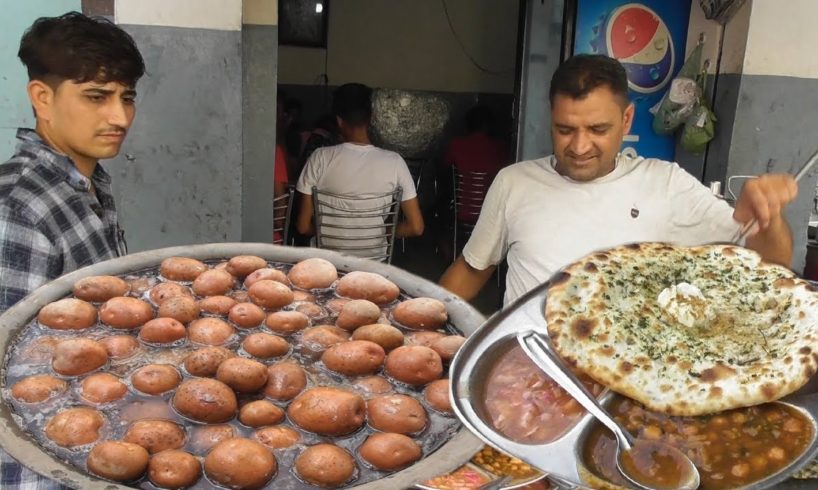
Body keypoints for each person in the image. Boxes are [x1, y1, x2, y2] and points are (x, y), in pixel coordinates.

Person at [440, 54, 797, 305]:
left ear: (626, 120)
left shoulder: (666, 184)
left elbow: (770, 268)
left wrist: (768, 217)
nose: (579, 146)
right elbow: (472, 271)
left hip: (627, 382)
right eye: (565, 129)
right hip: (529, 376)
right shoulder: (513, 182)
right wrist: (417, 328)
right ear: (551, 118)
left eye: (598, 129)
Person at [0, 12, 145, 487]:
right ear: (42, 98)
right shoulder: (19, 208)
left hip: (99, 419)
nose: (120, 117)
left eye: (127, 98)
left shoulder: (87, 182)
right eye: (96, 97)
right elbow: (12, 381)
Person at [295, 83, 424, 255]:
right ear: (371, 118)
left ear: (339, 121)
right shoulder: (395, 162)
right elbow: (416, 227)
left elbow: (302, 227)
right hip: (373, 264)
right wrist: (380, 234)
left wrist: (330, 231)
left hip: (327, 263)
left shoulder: (319, 158)